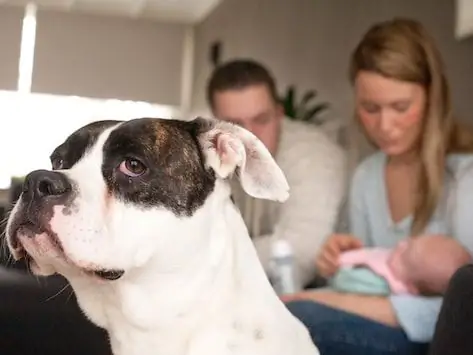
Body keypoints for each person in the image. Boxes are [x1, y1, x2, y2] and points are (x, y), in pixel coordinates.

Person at [283, 17, 473, 355]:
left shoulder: (465, 178)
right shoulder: (367, 178)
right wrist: (340, 263)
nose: (385, 126)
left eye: (401, 108)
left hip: (441, 342)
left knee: (302, 318)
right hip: (378, 326)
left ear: (432, 98)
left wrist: (337, 301)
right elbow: (368, 282)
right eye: (370, 108)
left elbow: (467, 311)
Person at [206, 59, 347, 288]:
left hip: (321, 291)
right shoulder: (209, 152)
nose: (249, 136)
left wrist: (210, 255)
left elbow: (301, 250)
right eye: (234, 124)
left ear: (279, 114)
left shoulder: (313, 155)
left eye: (261, 120)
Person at [333, 235, 472, 296]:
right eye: (410, 242)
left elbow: (343, 281)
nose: (400, 244)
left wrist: (341, 268)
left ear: (410, 287)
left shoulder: (382, 283)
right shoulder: (394, 267)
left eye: (404, 255)